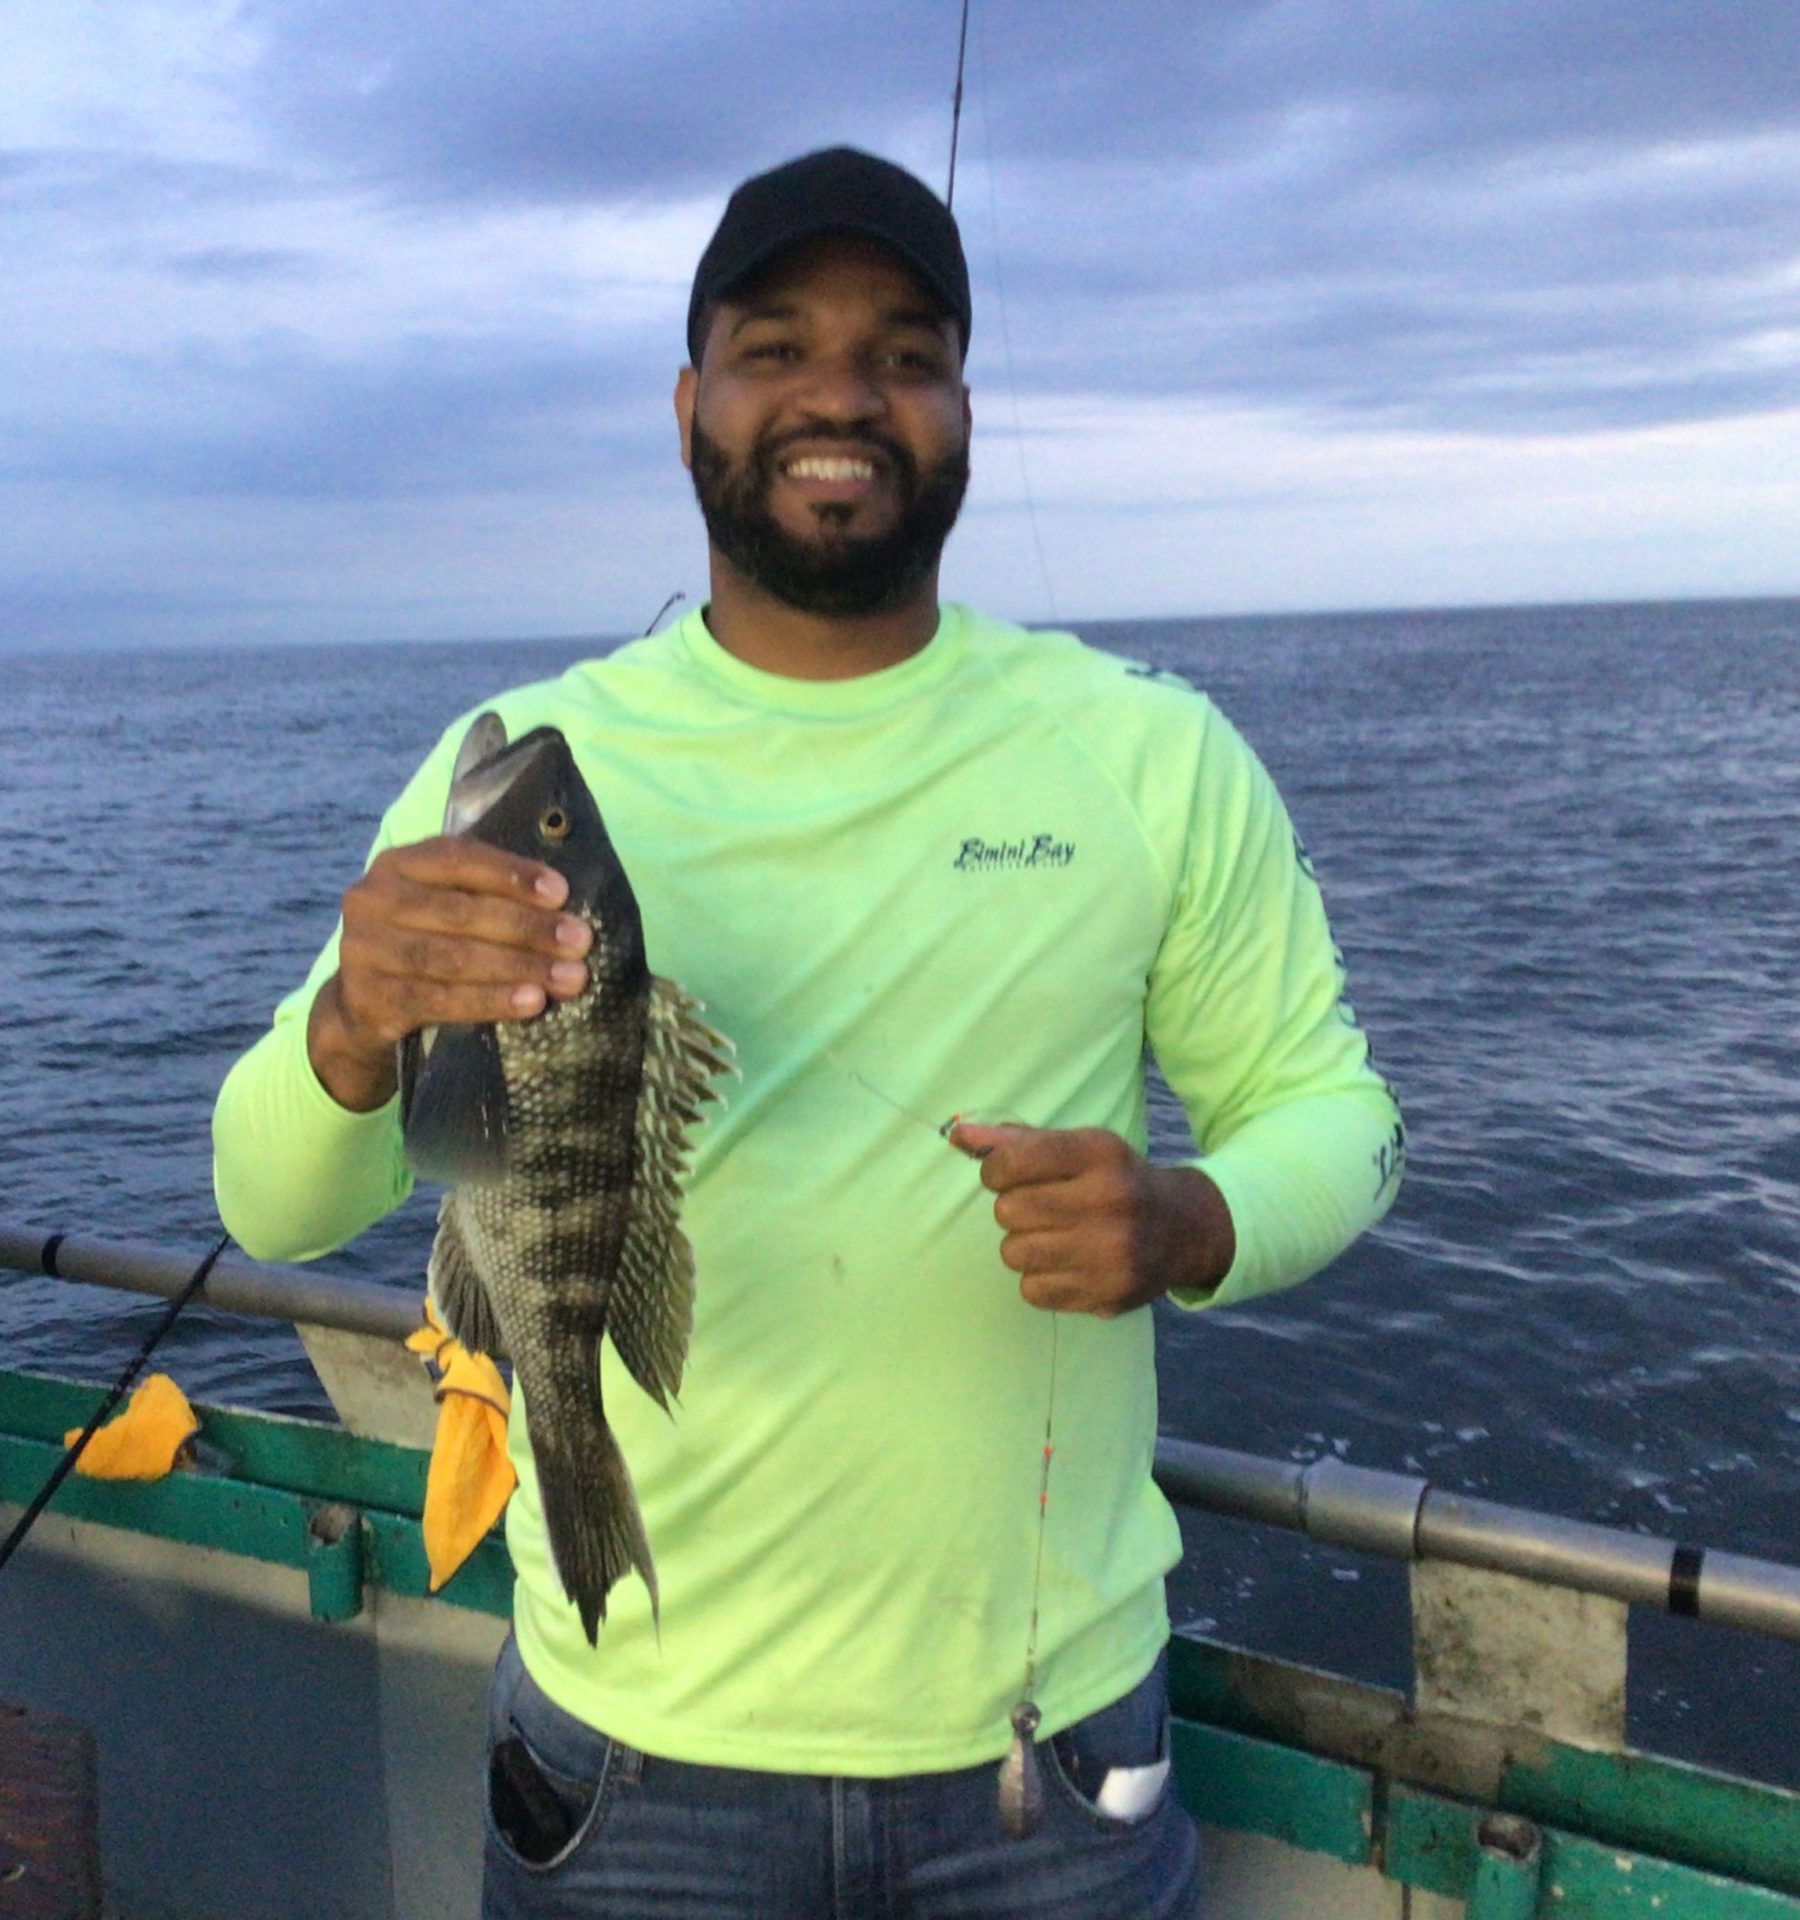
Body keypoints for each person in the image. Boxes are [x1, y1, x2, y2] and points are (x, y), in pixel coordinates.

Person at [214, 148, 1404, 1917]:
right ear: (689, 404)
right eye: (775, 347)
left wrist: (1191, 1219)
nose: (842, 394)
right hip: (622, 1756)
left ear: (964, 414)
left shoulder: (1151, 752)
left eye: (906, 354)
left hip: (1048, 1756)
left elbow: (1342, 1116)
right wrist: (352, 1022)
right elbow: (269, 1206)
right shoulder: (524, 767)